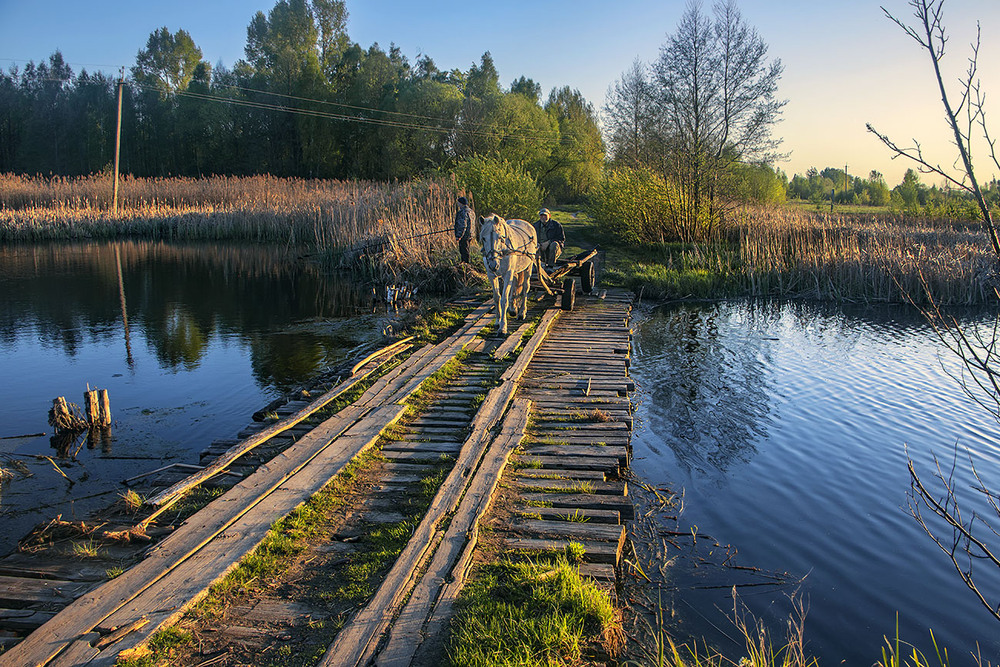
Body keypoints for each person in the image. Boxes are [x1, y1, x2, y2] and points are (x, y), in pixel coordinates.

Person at [454, 196, 475, 264]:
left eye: (458, 203)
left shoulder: (462, 212)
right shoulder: (471, 211)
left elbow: (463, 225)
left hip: (464, 235)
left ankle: (466, 265)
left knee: (464, 251)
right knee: (467, 249)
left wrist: (459, 235)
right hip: (470, 234)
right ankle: (466, 264)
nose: (458, 204)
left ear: (461, 203)